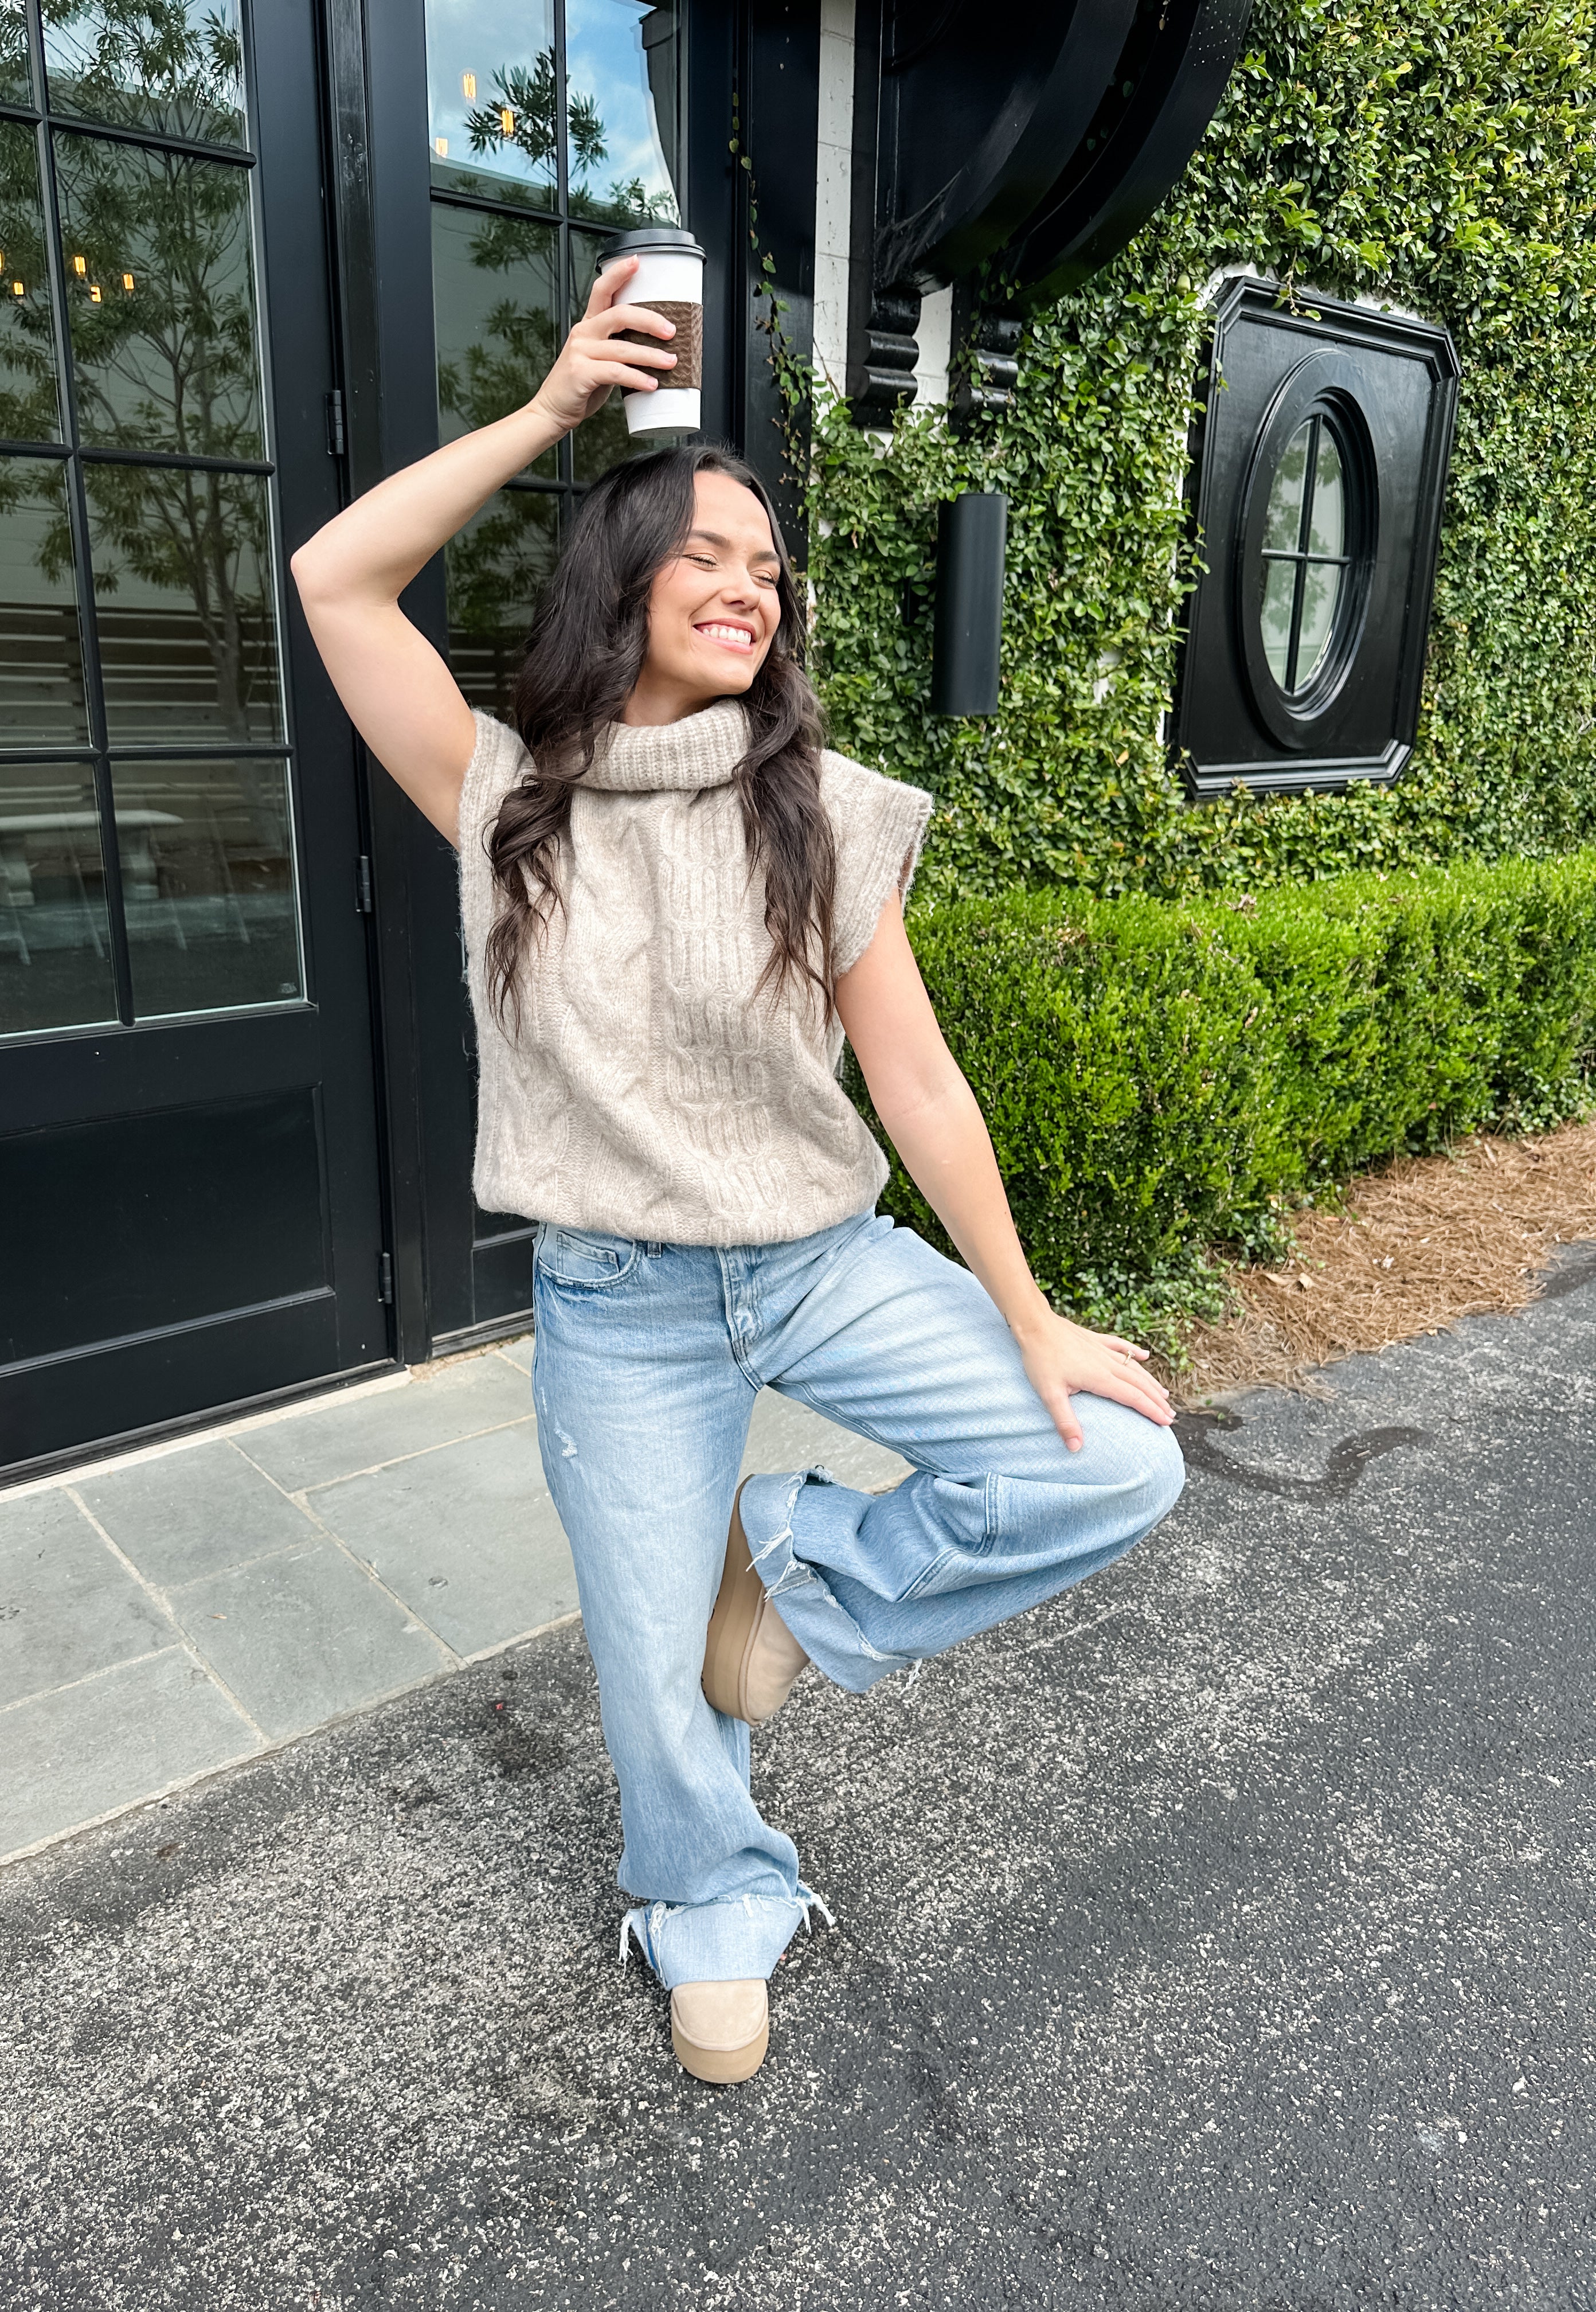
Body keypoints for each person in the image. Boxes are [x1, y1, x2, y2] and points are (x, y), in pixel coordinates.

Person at [290, 255, 1184, 2086]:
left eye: (769, 566)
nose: (749, 586)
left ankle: (784, 1578)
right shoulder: (497, 795)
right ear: (619, 580)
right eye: (709, 551)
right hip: (619, 1300)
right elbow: (335, 577)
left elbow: (920, 1085)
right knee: (644, 1664)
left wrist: (1032, 1319)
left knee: (1119, 1463)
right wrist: (547, 412)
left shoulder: (820, 810)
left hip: (818, 1259)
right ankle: (710, 1901)